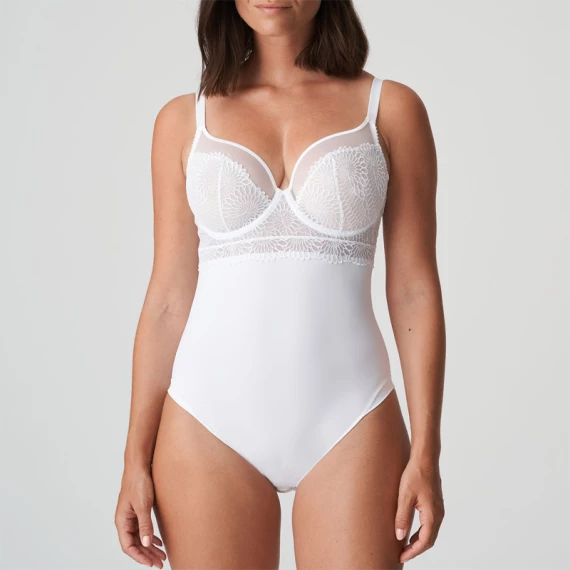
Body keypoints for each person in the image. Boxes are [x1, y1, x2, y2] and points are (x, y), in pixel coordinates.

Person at [114, 1, 446, 568]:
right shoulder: (181, 121)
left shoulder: (390, 109)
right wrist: (133, 459)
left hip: (353, 419)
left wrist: (428, 452)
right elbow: (168, 297)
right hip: (205, 422)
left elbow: (414, 288)